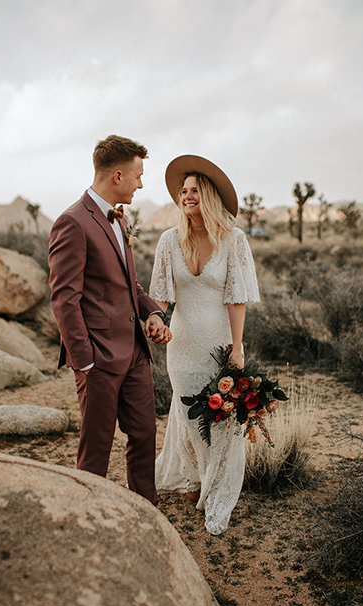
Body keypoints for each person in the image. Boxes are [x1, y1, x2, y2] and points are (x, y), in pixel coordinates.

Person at [48, 134, 171, 505]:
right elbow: (64, 299)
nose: (141, 183)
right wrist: (84, 360)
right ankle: (88, 519)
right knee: (96, 449)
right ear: (117, 176)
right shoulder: (72, 222)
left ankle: (146, 515)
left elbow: (126, 283)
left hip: (135, 352)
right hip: (98, 358)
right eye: (137, 175)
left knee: (144, 436)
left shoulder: (120, 219)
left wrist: (153, 312)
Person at [149, 155, 260, 534]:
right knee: (191, 419)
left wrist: (237, 347)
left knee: (223, 420)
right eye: (183, 191)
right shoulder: (168, 240)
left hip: (218, 345)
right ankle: (197, 477)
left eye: (194, 190)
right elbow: (161, 295)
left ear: (208, 195)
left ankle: (217, 491)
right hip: (180, 349)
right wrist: (157, 319)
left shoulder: (234, 240)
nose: (187, 196)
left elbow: (237, 298)